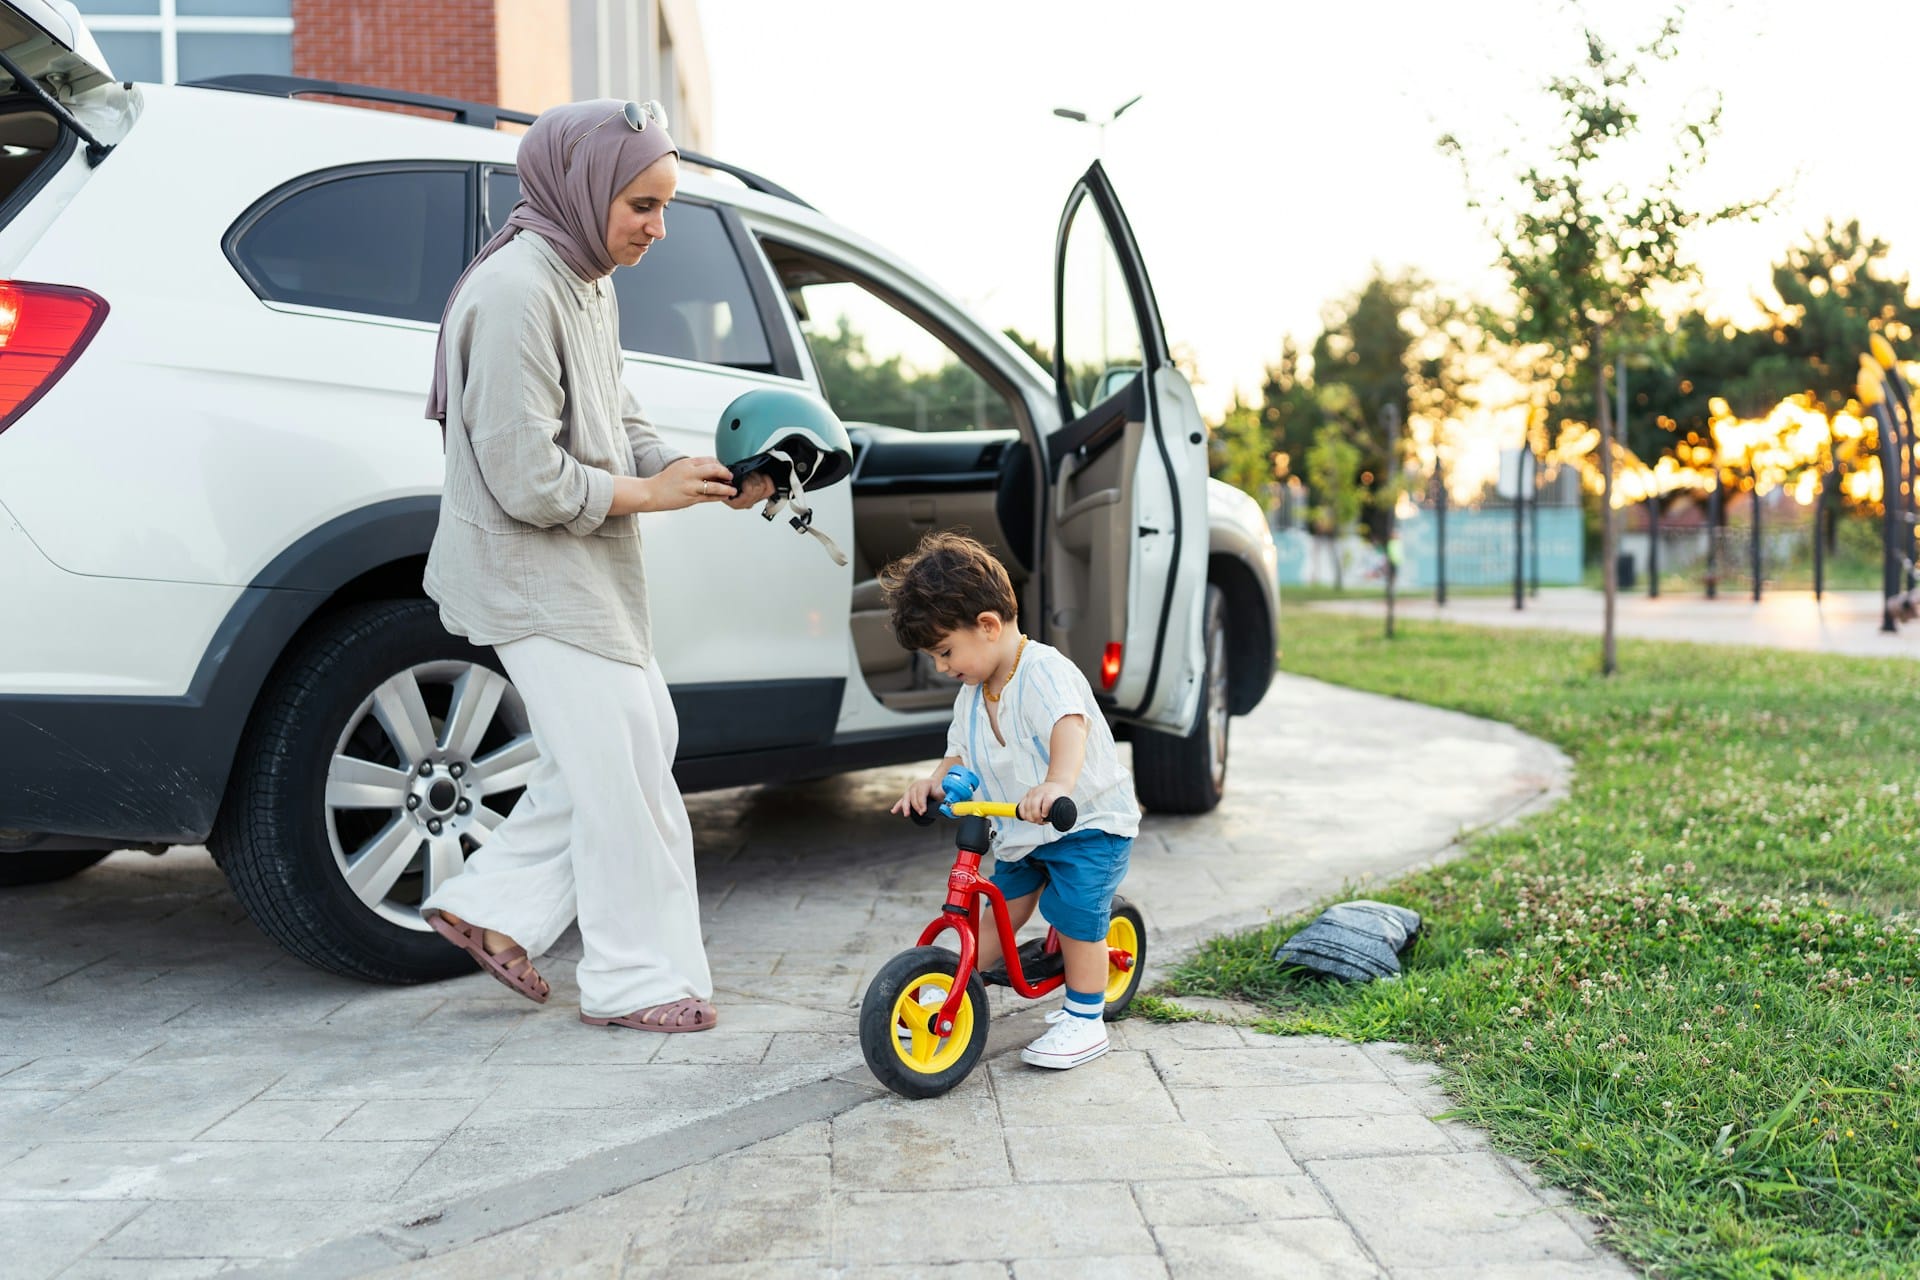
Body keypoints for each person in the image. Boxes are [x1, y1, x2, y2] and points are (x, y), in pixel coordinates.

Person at [416, 98, 774, 1034]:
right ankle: (634, 981)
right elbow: (525, 477)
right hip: (528, 574)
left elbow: (619, 419)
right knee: (625, 781)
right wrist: (648, 497)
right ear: (580, 189)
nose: (658, 229)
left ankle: (489, 904)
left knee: (627, 745)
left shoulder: (585, 278)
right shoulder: (516, 293)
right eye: (642, 206)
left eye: (666, 206)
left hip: (581, 571)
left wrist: (689, 474)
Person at [882, 531, 1140, 1068]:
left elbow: (1070, 725)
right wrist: (934, 783)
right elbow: (960, 755)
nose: (941, 666)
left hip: (1085, 823)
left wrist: (1057, 784)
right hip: (1023, 833)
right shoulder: (973, 694)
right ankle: (953, 989)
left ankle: (1086, 1019)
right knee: (997, 914)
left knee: (1071, 913)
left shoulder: (1042, 670)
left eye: (945, 651)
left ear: (988, 626)